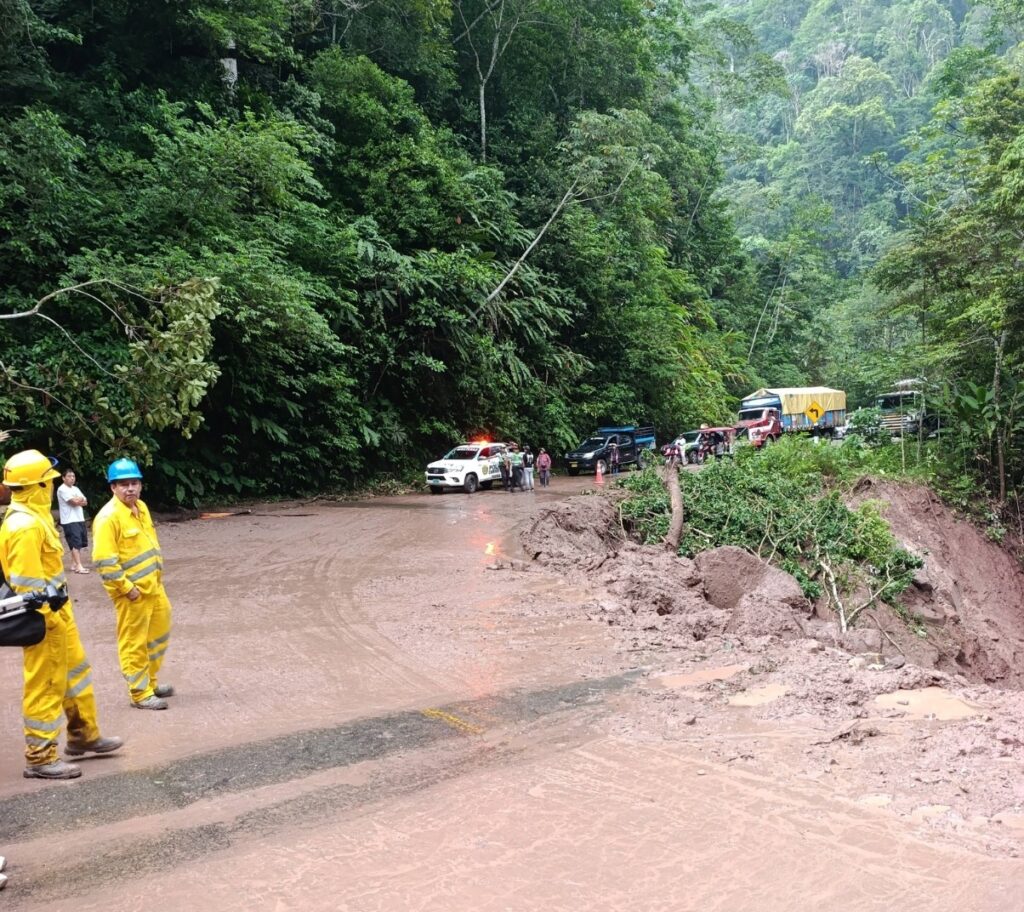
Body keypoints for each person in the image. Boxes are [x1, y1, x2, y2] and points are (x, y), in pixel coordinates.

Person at [0, 449, 123, 779]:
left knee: (75, 674)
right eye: (50, 481)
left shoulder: (34, 516)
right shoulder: (24, 525)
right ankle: (39, 757)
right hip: (44, 619)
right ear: (39, 486)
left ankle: (84, 736)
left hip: (57, 613)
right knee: (46, 685)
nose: (53, 485)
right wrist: (48, 616)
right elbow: (26, 584)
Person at [92, 458, 174, 710]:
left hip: (154, 588)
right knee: (134, 643)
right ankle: (140, 693)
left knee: (158, 636)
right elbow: (104, 562)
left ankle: (150, 681)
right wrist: (128, 589)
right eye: (124, 484)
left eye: (135, 483)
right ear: (112, 488)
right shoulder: (108, 518)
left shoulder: (142, 508)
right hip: (132, 594)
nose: (131, 488)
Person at [57, 467, 90, 574]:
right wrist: (79, 500)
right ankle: (79, 566)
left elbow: (85, 502)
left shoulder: (75, 489)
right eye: (69, 476)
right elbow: (74, 502)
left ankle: (74, 564)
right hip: (69, 520)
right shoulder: (62, 489)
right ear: (63, 478)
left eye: (73, 476)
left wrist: (78, 500)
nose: (72, 478)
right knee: (75, 542)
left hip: (79, 518)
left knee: (79, 542)